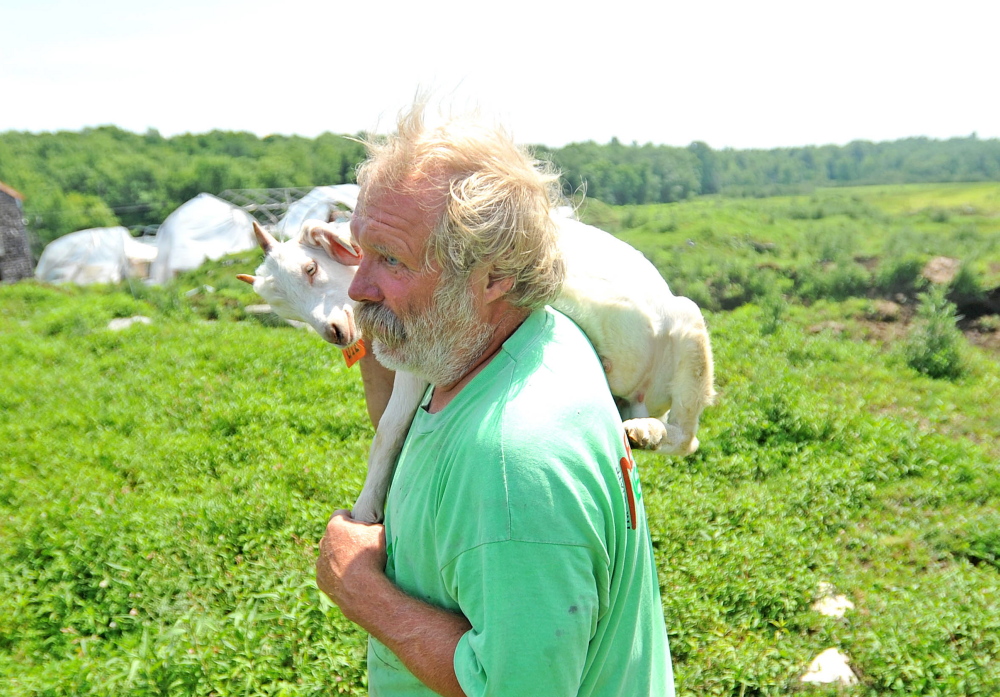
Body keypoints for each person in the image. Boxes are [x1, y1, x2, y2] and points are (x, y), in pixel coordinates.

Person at [315, 101, 675, 697]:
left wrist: (362, 590)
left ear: (493, 276)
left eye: (392, 260)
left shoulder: (512, 463)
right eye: (361, 251)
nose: (357, 286)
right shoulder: (520, 337)